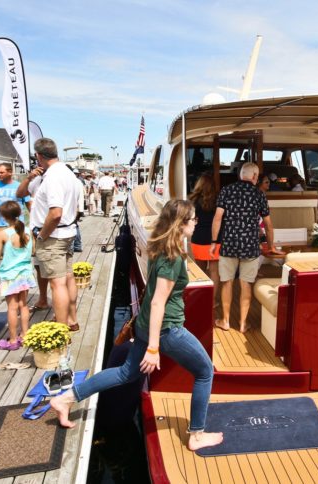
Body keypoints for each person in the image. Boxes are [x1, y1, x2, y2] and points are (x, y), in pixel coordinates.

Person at [50, 200, 224, 451]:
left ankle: (66, 398)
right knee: (205, 371)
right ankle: (196, 435)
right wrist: (153, 348)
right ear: (181, 223)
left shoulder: (160, 246)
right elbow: (158, 303)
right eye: (193, 219)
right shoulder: (173, 258)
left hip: (144, 324)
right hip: (167, 330)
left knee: (125, 373)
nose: (197, 223)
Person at [16, 138, 81, 331]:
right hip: (67, 232)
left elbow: (55, 213)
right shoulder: (67, 174)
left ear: (38, 156)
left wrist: (42, 235)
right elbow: (20, 193)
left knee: (57, 284)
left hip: (53, 236)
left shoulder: (53, 177)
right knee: (68, 277)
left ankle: (61, 328)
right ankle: (72, 320)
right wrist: (29, 178)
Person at [210, 162, 283, 333]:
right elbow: (268, 225)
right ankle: (243, 324)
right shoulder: (259, 194)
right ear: (255, 176)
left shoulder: (226, 190)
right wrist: (271, 246)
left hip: (229, 245)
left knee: (226, 282)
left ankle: (225, 321)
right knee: (246, 284)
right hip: (250, 246)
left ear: (240, 175)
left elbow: (217, 218)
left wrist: (213, 242)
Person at [0, 201, 37, 350]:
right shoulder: (28, 231)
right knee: (23, 305)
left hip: (10, 275)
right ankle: (25, 335)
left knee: (12, 308)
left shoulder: (2, 234)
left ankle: (12, 340)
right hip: (25, 273)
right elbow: (33, 251)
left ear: (3, 216)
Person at [188, 173, 222, 323]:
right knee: (214, 272)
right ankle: (212, 301)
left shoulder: (193, 200)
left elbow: (191, 220)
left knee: (200, 271)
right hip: (215, 239)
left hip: (198, 239)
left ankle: (202, 298)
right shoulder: (218, 200)